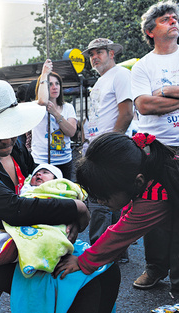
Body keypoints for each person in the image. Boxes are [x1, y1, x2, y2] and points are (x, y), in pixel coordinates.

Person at [0, 80, 119, 313]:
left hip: (27, 237)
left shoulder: (14, 147)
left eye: (11, 130)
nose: (7, 139)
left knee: (107, 269)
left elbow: (42, 188)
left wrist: (70, 214)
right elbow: (13, 208)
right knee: (79, 284)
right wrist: (77, 209)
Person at [54, 132, 179, 300]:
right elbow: (126, 218)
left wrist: (83, 261)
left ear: (138, 182)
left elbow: (119, 234)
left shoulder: (154, 198)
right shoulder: (147, 176)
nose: (100, 200)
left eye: (105, 196)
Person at [130, 1, 179, 295]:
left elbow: (154, 100)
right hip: (155, 151)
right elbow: (145, 106)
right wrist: (156, 97)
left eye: (174, 17)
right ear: (151, 31)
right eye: (164, 19)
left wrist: (163, 91)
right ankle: (156, 268)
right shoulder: (143, 66)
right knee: (155, 212)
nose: (173, 21)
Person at [81, 38, 134, 251]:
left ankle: (100, 252)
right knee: (109, 202)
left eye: (99, 52)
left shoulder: (120, 74)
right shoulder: (101, 81)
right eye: (91, 54)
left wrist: (110, 144)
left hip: (109, 149)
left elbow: (127, 113)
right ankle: (112, 252)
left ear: (112, 53)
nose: (94, 57)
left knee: (100, 202)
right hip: (97, 148)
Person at [32, 59, 77, 180]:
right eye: (50, 84)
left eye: (57, 84)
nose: (54, 87)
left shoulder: (68, 107)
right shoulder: (36, 107)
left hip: (63, 160)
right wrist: (44, 74)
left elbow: (71, 132)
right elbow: (42, 101)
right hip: (41, 160)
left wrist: (56, 114)